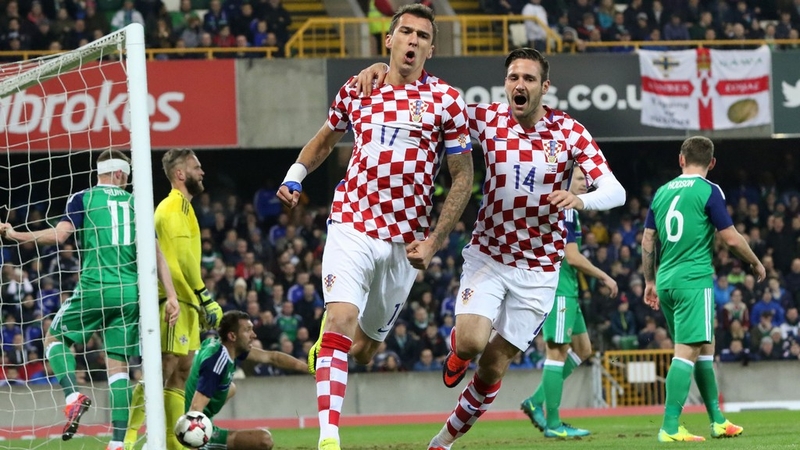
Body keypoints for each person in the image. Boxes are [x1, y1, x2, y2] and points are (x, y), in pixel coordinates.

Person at [352, 47, 626, 449]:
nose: (520, 85)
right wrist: (387, 68)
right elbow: (431, 98)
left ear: (544, 87)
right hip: (490, 255)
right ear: (506, 84)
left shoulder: (569, 132)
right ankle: (457, 355)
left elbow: (615, 191)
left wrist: (580, 200)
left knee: (494, 365)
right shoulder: (485, 117)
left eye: (529, 79)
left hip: (539, 270)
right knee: (471, 343)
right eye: (514, 77)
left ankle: (441, 442)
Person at [276, 5, 474, 450]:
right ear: (389, 39)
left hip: (404, 244)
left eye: (422, 36)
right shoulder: (359, 87)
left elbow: (462, 175)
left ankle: (328, 352)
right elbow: (326, 138)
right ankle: (329, 436)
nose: (413, 40)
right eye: (405, 32)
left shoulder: (447, 100)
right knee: (341, 320)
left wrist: (435, 240)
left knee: (364, 349)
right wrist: (295, 174)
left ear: (431, 48)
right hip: (352, 222)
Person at [0, 150, 179, 450]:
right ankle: (118, 443)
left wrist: (15, 234)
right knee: (119, 368)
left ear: (103, 172)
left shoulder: (83, 197)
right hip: (129, 294)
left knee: (54, 338)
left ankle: (72, 396)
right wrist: (171, 295)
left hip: (95, 287)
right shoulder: (138, 203)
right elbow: (156, 252)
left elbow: (59, 237)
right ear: (122, 174)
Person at [641, 136, 765, 442]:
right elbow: (731, 238)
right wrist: (756, 262)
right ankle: (670, 426)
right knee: (686, 352)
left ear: (681, 159)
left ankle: (717, 420)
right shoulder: (709, 190)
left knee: (704, 350)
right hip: (694, 281)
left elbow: (647, 240)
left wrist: (649, 281)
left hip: (667, 280)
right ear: (711, 163)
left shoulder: (661, 192)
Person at [126, 148, 223, 450]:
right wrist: (204, 296)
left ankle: (173, 444)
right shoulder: (171, 209)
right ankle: (127, 441)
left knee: (180, 372)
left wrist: (197, 299)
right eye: (196, 167)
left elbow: (187, 261)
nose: (202, 171)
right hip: (173, 303)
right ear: (180, 174)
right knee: (161, 369)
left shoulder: (186, 209)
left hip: (187, 302)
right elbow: (175, 261)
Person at [519, 168, 619, 437]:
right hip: (558, 289)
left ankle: (535, 401)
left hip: (568, 289)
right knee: (557, 353)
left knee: (583, 349)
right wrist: (604, 276)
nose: (586, 183)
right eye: (579, 179)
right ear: (565, 181)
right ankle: (553, 424)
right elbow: (571, 257)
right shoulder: (564, 209)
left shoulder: (567, 209)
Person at [184, 310, 307, 450]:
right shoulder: (217, 363)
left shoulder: (219, 347)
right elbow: (194, 410)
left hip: (196, 419)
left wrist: (310, 368)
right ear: (232, 336)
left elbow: (272, 357)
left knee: (231, 388)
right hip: (194, 432)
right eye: (248, 330)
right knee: (263, 441)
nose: (254, 335)